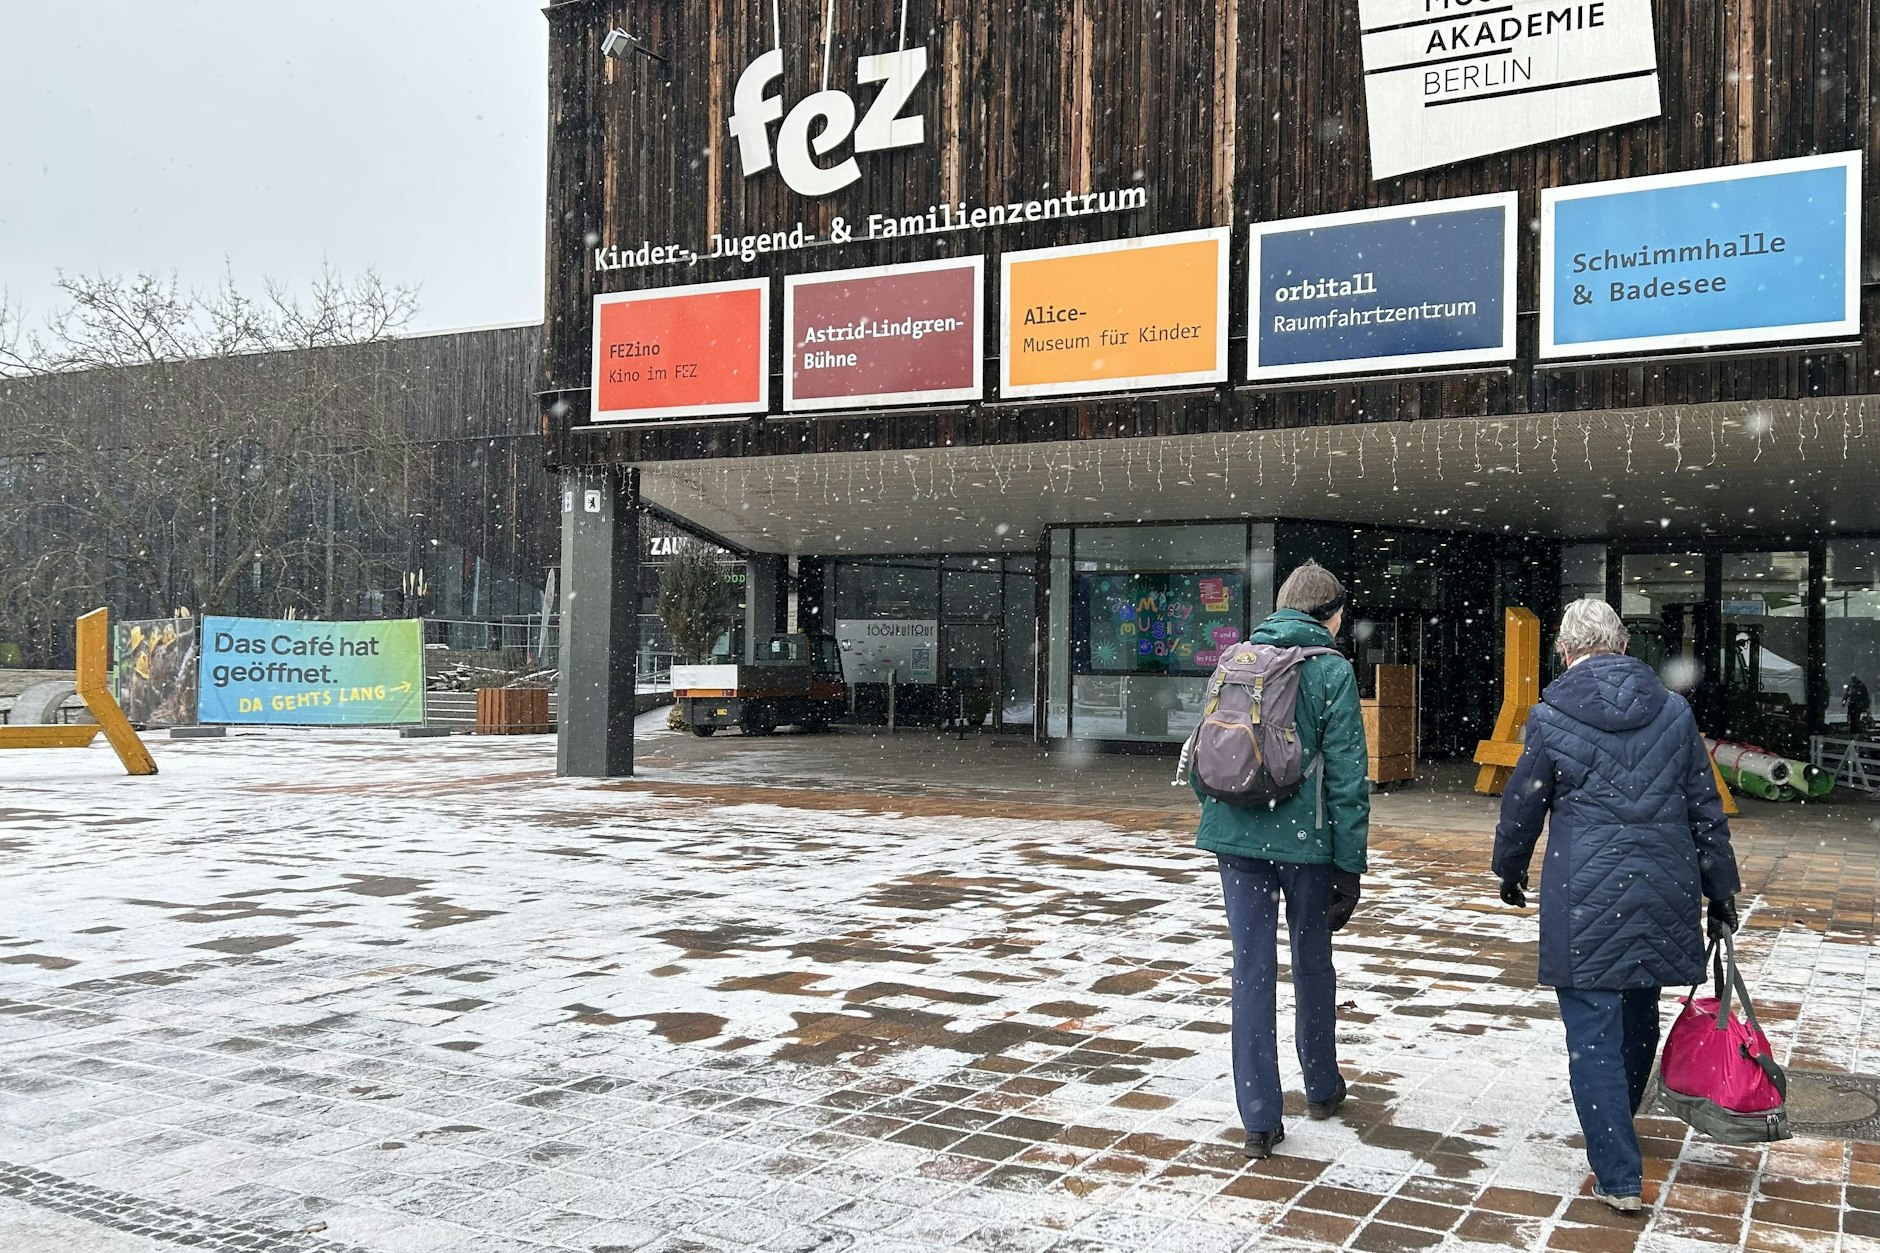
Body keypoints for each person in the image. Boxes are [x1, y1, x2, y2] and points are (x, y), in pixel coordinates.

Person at [1494, 598, 1741, 1214]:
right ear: (1624, 646)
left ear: (1566, 652)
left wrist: (1509, 866)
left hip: (1586, 897)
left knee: (1592, 1031)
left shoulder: (1551, 715)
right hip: (1664, 888)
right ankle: (1618, 1128)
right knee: (1638, 1009)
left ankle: (1618, 1170)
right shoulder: (1674, 712)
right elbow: (1704, 809)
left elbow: (1524, 802)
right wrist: (1721, 890)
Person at [1193, 560, 1369, 1160]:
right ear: (1331, 615)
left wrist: (1232, 812)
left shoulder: (1237, 659)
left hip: (1235, 837)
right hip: (1307, 845)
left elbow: (1208, 751)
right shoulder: (1332, 671)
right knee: (1312, 963)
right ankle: (1320, 1086)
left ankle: (1260, 1118)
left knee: (1251, 971)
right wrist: (1350, 866)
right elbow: (1347, 779)